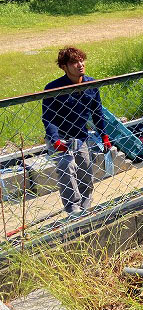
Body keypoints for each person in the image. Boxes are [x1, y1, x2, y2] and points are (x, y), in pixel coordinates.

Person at [42, 47, 111, 215]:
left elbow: (97, 113)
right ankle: (73, 210)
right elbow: (48, 118)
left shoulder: (90, 84)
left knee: (86, 171)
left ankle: (85, 207)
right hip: (59, 138)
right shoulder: (53, 88)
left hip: (80, 137)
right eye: (74, 62)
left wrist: (104, 135)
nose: (80, 64)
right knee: (66, 167)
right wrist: (55, 140)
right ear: (64, 67)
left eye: (81, 60)